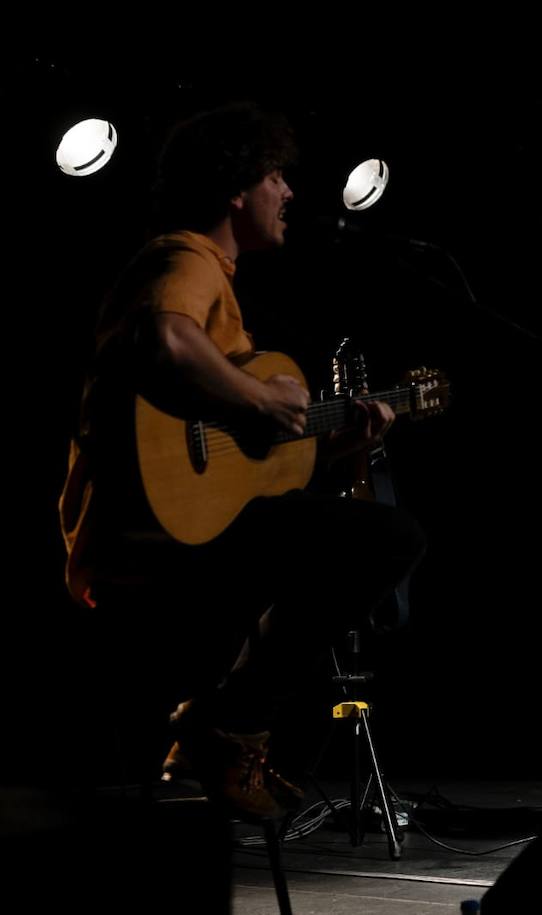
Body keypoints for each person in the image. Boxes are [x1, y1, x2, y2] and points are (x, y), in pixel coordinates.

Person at [59, 103, 427, 818]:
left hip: (182, 540)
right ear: (236, 186)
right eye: (276, 176)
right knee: (389, 538)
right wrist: (260, 402)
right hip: (145, 549)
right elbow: (167, 342)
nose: (288, 192)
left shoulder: (216, 280)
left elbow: (258, 467)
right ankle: (227, 724)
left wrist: (346, 437)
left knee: (341, 537)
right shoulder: (182, 258)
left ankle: (231, 727)